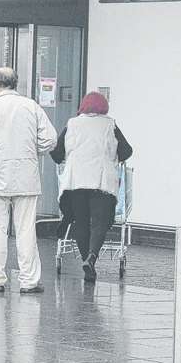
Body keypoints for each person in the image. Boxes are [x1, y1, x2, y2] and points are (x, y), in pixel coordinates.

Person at [0, 67, 57, 294]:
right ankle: (29, 281)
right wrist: (34, 152)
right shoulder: (32, 107)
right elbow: (50, 139)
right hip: (26, 177)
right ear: (15, 83)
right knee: (26, 230)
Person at [52, 91, 133, 282]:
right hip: (101, 182)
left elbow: (56, 153)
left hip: (75, 182)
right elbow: (127, 151)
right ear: (104, 107)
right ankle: (92, 258)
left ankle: (86, 263)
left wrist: (70, 157)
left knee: (81, 222)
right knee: (99, 222)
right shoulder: (110, 124)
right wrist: (112, 156)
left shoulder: (72, 124)